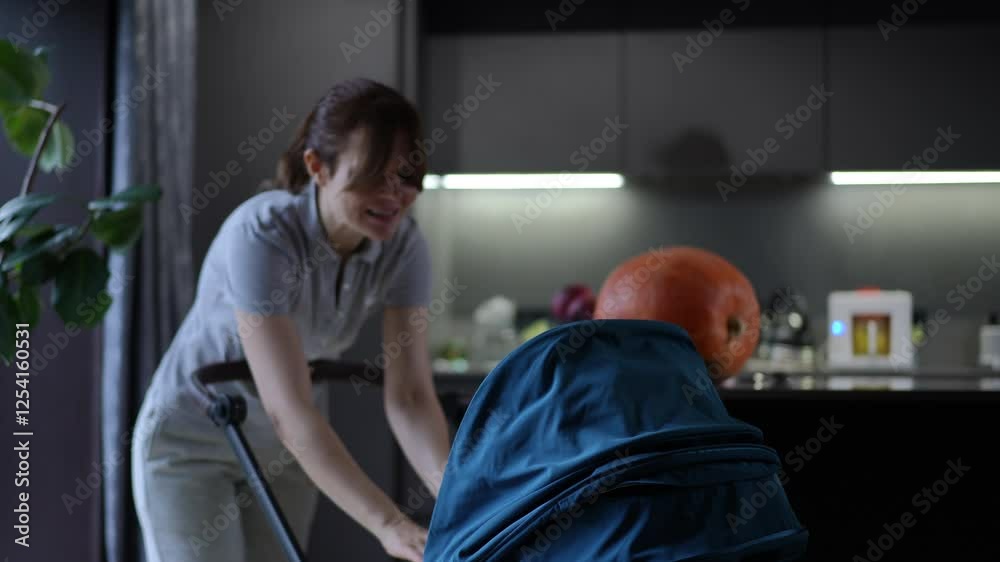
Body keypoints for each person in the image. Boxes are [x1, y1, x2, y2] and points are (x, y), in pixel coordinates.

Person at [131, 78, 452, 562]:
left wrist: (458, 502)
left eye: (405, 177)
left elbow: (408, 395)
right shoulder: (264, 234)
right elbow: (288, 409)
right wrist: (389, 524)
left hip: (287, 453)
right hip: (192, 441)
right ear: (317, 167)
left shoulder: (404, 246)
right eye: (372, 174)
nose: (394, 195)